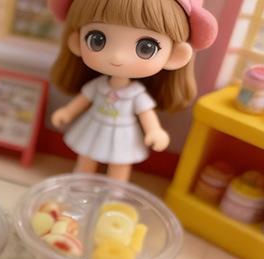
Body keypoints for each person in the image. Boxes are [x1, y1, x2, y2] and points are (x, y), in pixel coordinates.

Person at [48, 0, 218, 181]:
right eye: (97, 40)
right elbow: (82, 100)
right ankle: (79, 183)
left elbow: (146, 114)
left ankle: (115, 190)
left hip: (123, 134)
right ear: (77, 42)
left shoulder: (135, 93)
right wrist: (67, 112)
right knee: (87, 157)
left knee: (120, 164)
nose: (117, 57)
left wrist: (154, 131)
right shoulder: (98, 86)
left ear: (175, 56)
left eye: (146, 47)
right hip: (95, 125)